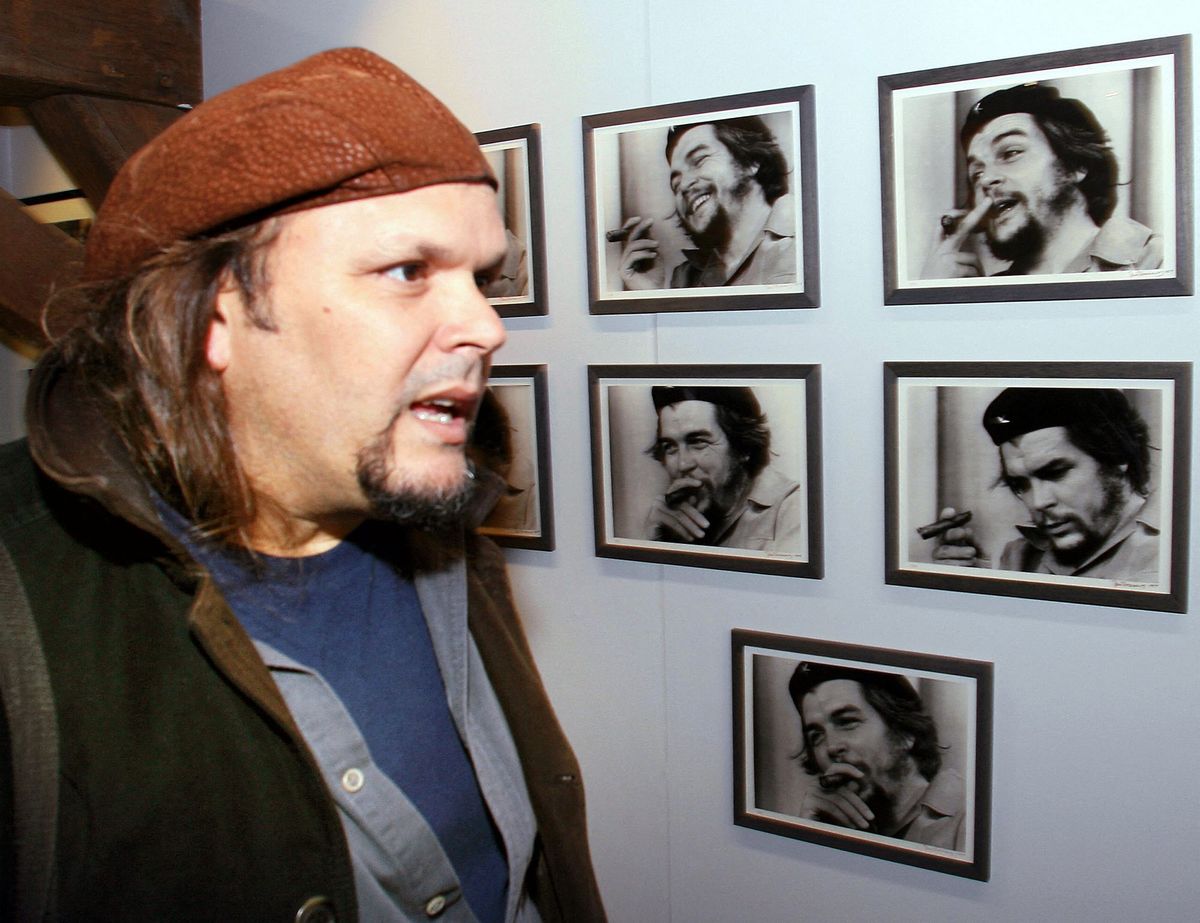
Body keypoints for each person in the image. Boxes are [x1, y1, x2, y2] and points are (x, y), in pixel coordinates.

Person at [0, 48, 605, 923]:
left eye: (483, 278)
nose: (485, 324)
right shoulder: (23, 604)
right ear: (213, 317)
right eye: (409, 272)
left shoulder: (439, 520)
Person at [920, 83, 1163, 278]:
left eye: (1010, 153)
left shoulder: (1160, 260)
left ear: (1076, 165)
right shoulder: (987, 293)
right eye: (977, 173)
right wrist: (932, 292)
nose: (987, 180)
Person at [933, 388, 1159, 582]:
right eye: (1020, 484)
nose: (1037, 502)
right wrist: (977, 588)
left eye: (1055, 473)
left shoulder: (1171, 556)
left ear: (1117, 455)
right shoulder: (1017, 557)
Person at [788, 662, 966, 850]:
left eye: (847, 721)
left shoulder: (969, 817)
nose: (831, 747)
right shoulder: (833, 825)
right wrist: (810, 832)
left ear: (905, 732)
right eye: (816, 736)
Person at [617, 116, 796, 289]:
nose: (685, 186)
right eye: (675, 185)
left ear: (752, 161)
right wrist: (653, 294)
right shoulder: (683, 280)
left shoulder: (806, 238)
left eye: (699, 160)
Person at [643, 386, 803, 553]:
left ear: (743, 447)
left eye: (698, 442)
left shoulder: (793, 511)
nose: (682, 464)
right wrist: (657, 541)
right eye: (669, 446)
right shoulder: (671, 522)